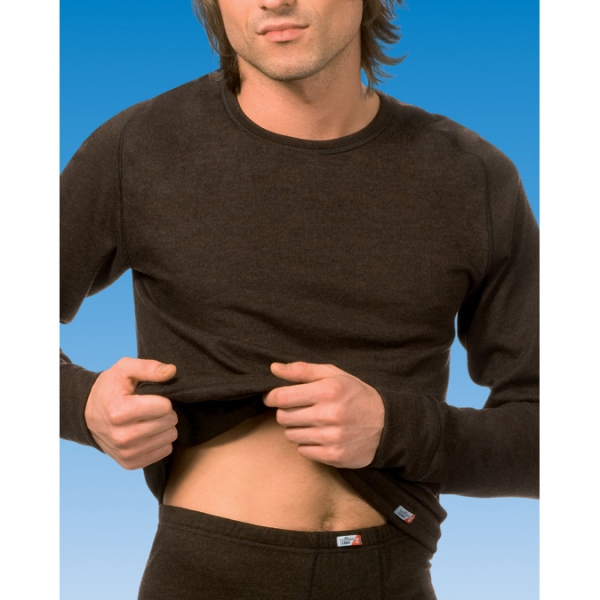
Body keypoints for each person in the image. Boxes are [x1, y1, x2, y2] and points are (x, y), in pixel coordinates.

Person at [60, 0, 539, 598]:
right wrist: (81, 406)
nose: (274, 1)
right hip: (208, 575)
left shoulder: (473, 177)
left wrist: (396, 428)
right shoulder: (140, 148)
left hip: (392, 574)